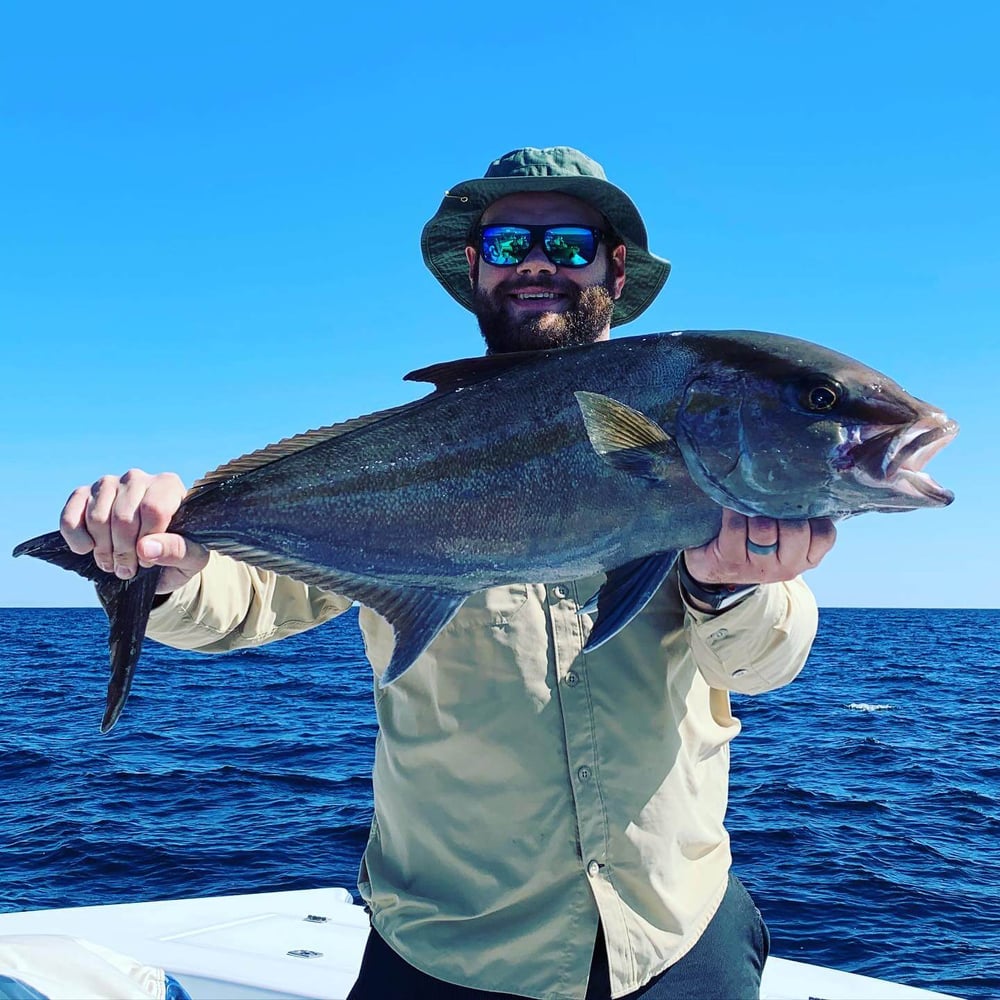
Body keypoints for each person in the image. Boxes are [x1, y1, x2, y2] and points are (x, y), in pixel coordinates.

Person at [59, 147, 836, 999]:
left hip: (674, 934)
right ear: (474, 268)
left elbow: (762, 664)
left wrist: (728, 584)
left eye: (569, 244)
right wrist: (167, 566)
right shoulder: (411, 450)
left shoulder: (700, 446)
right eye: (508, 245)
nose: (537, 262)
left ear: (616, 268)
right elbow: (249, 598)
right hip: (452, 956)